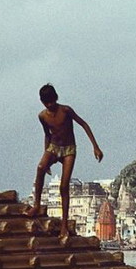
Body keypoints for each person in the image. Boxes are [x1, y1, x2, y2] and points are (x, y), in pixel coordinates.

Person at [24, 84, 104, 239]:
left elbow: (84, 124)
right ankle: (36, 205)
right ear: (43, 102)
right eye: (47, 103)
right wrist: (46, 155)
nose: (50, 105)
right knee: (40, 168)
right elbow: (47, 135)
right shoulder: (42, 116)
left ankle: (64, 225)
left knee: (64, 185)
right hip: (54, 147)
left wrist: (95, 146)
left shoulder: (66, 110)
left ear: (56, 99)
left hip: (68, 149)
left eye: (52, 102)